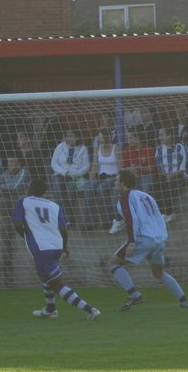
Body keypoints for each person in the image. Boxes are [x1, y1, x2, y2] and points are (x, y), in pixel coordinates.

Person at [11, 177, 101, 321]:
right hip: (56, 246)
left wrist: (25, 236)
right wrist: (65, 247)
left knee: (57, 284)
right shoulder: (54, 205)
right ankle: (50, 310)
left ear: (30, 188)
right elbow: (64, 229)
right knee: (46, 277)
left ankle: (90, 310)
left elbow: (17, 224)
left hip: (42, 249)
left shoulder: (23, 202)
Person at [108, 169, 188, 311]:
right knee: (158, 273)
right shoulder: (145, 196)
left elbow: (131, 219)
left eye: (117, 180)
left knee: (112, 263)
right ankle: (184, 300)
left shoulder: (124, 197)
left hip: (143, 238)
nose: (115, 182)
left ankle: (134, 294)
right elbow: (156, 217)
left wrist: (131, 242)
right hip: (158, 239)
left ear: (123, 183)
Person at [152, 124, 188, 224]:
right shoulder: (159, 149)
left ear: (169, 135)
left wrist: (172, 175)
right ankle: (164, 213)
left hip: (180, 175)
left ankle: (170, 213)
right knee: (156, 185)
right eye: (159, 135)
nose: (159, 138)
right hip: (166, 175)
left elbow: (184, 166)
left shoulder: (180, 147)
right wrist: (166, 175)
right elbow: (158, 166)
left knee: (170, 185)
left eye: (162, 135)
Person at [83, 129, 120, 230]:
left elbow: (121, 166)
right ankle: (89, 223)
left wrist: (119, 179)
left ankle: (107, 221)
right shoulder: (97, 149)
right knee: (88, 189)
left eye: (103, 138)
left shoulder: (115, 148)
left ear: (108, 138)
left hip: (113, 176)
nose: (101, 140)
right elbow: (94, 165)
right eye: (99, 138)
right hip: (101, 176)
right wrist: (90, 179)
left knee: (101, 189)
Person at [48, 129, 87, 220]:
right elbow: (53, 163)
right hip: (60, 174)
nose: (68, 138)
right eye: (67, 136)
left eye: (71, 136)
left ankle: (69, 218)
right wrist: (64, 172)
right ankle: (64, 218)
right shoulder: (60, 147)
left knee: (70, 191)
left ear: (77, 138)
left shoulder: (83, 149)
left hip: (74, 176)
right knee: (57, 185)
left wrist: (72, 173)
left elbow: (84, 167)